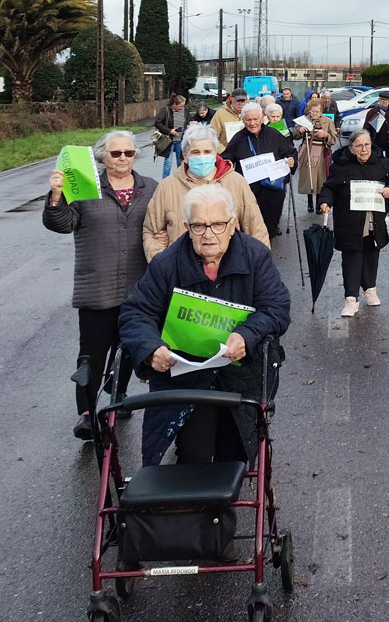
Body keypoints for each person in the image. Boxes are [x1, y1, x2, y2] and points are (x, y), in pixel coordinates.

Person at [119, 183, 291, 467]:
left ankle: (221, 510)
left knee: (234, 455)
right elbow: (135, 314)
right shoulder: (166, 264)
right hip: (187, 377)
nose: (209, 233)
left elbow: (276, 307)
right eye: (199, 225)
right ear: (187, 226)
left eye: (218, 224)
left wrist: (246, 336)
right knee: (193, 457)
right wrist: (151, 349)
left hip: (241, 373)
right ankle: (198, 508)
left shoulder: (255, 256)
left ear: (233, 225)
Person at [43, 130, 156, 438]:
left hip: (138, 285)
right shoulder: (85, 188)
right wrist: (56, 196)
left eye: (129, 153)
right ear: (102, 157)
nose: (123, 159)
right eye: (116, 154)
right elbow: (62, 224)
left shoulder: (151, 188)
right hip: (97, 285)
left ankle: (117, 398)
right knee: (92, 354)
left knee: (129, 348)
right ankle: (86, 413)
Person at [144, 123, 269, 261]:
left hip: (231, 270)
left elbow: (256, 230)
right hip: (182, 273)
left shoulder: (236, 182)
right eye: (195, 152)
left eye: (207, 152)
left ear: (215, 153)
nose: (202, 157)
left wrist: (259, 268)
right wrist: (163, 269)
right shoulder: (166, 187)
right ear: (185, 155)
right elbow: (151, 233)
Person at [318, 130, 389, 317]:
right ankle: (351, 299)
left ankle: (370, 289)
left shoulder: (382, 163)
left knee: (371, 255)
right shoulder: (341, 166)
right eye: (359, 145)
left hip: (374, 220)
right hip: (350, 221)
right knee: (352, 258)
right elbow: (329, 188)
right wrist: (325, 202)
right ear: (351, 148)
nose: (364, 149)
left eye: (367, 144)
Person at [221, 102, 297, 238]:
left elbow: (290, 152)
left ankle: (266, 252)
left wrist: (292, 160)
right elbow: (225, 160)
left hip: (273, 191)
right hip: (249, 193)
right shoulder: (239, 138)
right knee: (249, 230)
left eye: (255, 119)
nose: (252, 123)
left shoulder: (274, 134)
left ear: (262, 118)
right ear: (243, 120)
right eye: (248, 120)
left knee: (269, 230)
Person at [293, 98, 337, 213]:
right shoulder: (303, 120)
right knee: (308, 178)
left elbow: (334, 138)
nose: (314, 114)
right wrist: (300, 130)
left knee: (320, 179)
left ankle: (319, 202)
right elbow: (294, 135)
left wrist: (326, 135)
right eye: (312, 111)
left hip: (321, 153)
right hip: (306, 152)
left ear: (321, 111)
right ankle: (309, 202)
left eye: (317, 112)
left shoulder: (327, 121)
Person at [362, 91, 389, 161]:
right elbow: (366, 128)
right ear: (379, 100)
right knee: (377, 162)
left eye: (386, 100)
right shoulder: (372, 112)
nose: (384, 101)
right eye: (382, 99)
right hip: (377, 142)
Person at [154, 94, 186, 178]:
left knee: (181, 162)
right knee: (168, 163)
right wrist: (169, 131)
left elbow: (187, 120)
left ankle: (181, 180)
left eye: (183, 106)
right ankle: (165, 181)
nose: (182, 108)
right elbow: (157, 123)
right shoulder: (165, 110)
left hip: (180, 140)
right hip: (169, 140)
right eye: (180, 106)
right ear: (174, 104)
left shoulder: (185, 110)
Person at [210, 87, 249, 154]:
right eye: (237, 101)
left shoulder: (250, 113)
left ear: (246, 101)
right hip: (226, 156)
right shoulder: (220, 115)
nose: (240, 104)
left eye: (242, 101)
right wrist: (225, 152)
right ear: (231, 100)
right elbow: (211, 137)